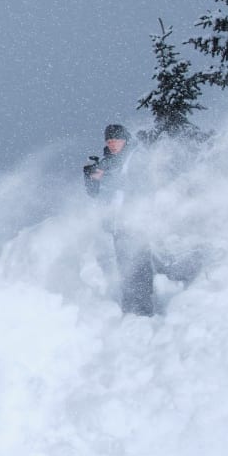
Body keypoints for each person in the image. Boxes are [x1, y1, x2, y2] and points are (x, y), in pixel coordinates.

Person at [83, 123, 156, 316]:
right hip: (117, 226)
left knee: (137, 266)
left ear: (125, 140)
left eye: (116, 140)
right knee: (126, 268)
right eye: (109, 140)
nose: (113, 144)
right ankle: (132, 309)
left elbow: (141, 184)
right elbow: (95, 194)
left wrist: (105, 177)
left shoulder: (136, 156)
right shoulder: (108, 162)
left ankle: (142, 311)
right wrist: (91, 179)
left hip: (135, 222)